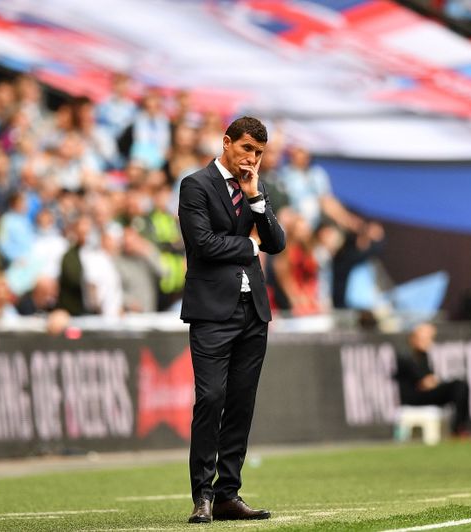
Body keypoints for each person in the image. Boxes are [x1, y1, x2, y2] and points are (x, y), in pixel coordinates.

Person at [178, 116, 285, 524]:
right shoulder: (196, 185)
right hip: (211, 312)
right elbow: (202, 244)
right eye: (246, 149)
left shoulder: (255, 186)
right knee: (210, 399)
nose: (252, 158)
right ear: (226, 142)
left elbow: (276, 243)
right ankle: (202, 495)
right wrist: (247, 246)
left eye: (259, 153)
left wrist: (255, 198)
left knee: (241, 403)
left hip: (252, 311)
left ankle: (227, 494)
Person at [394, 323, 471, 437]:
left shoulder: (423, 356)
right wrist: (434, 381)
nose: (429, 342)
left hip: (426, 394)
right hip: (414, 398)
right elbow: (425, 383)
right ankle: (459, 429)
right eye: (425, 338)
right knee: (458, 386)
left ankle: (461, 428)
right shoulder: (405, 357)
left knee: (460, 386)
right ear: (414, 339)